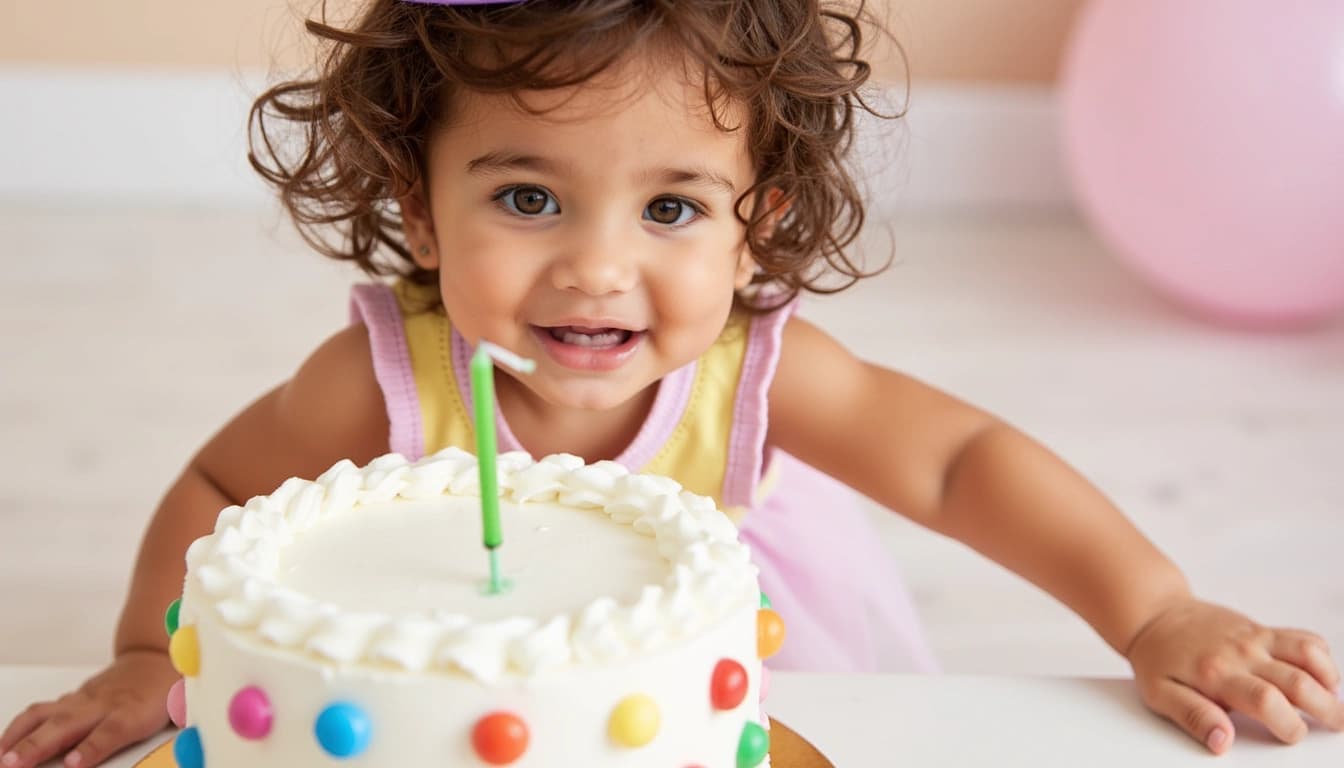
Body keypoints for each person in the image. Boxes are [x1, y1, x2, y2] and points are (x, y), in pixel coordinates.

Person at [4, 1, 1342, 766]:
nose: (596, 269)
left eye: (671, 208)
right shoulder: (390, 381)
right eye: (527, 196)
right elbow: (226, 482)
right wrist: (140, 653)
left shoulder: (752, 371)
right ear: (418, 210)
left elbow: (957, 463)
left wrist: (1156, 611)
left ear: (755, 218)